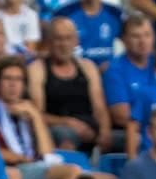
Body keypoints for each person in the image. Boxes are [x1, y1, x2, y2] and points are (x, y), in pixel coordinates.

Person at [28, 19, 110, 154]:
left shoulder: (88, 67)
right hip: (58, 128)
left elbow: (100, 108)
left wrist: (105, 132)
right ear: (49, 42)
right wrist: (68, 122)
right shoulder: (37, 69)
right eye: (58, 39)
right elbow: (37, 114)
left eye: (68, 38)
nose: (64, 44)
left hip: (90, 128)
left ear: (76, 41)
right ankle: (72, 172)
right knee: (66, 136)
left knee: (132, 139)